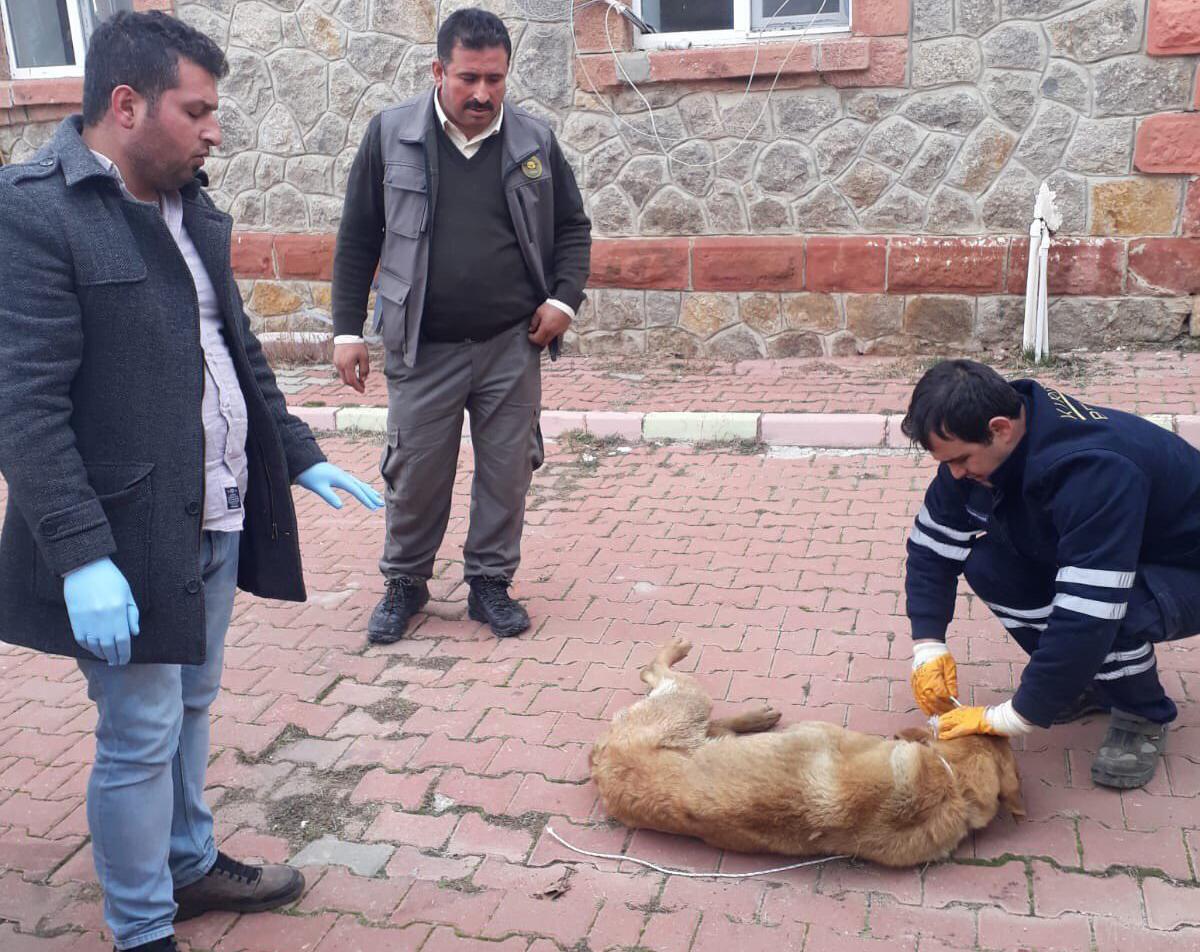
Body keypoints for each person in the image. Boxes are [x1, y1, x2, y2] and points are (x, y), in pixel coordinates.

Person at [0, 13, 382, 952]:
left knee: (193, 703)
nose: (215, 130)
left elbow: (234, 354)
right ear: (126, 106)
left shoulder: (190, 206)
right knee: (137, 731)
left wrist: (298, 452)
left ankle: (188, 861)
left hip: (209, 512)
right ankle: (141, 930)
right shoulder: (34, 211)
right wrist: (81, 556)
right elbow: (25, 405)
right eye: (198, 109)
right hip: (120, 538)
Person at [331, 8, 591, 644]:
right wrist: (346, 330)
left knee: (507, 470)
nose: (482, 93)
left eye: (495, 79)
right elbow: (358, 236)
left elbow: (572, 230)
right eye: (469, 77)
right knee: (415, 472)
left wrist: (565, 300)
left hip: (511, 344)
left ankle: (490, 585)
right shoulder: (391, 134)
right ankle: (405, 582)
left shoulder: (534, 142)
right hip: (422, 345)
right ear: (438, 69)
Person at [902, 359, 1200, 789]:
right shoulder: (978, 453)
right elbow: (932, 550)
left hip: (1185, 563)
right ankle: (1087, 684)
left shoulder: (1092, 470)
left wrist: (1015, 716)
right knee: (990, 566)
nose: (954, 474)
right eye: (945, 462)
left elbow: (1089, 613)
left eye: (961, 459)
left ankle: (1142, 713)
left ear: (1000, 428)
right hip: (1128, 547)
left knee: (1114, 611)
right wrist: (928, 645)